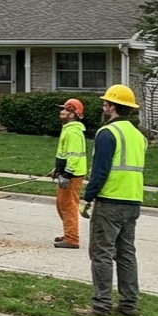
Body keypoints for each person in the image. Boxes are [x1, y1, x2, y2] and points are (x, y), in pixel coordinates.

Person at [73, 84, 146, 316]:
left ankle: (101, 305)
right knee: (126, 253)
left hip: (110, 200)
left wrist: (89, 196)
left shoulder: (108, 133)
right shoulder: (138, 136)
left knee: (101, 253)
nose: (104, 108)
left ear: (112, 107)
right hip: (133, 200)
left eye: (106, 104)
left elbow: (100, 170)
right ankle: (128, 304)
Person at [53, 98, 89, 249]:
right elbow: (65, 154)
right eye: (63, 109)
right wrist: (58, 170)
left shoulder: (73, 132)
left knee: (68, 206)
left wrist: (67, 174)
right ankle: (68, 233)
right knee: (61, 205)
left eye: (67, 110)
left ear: (74, 114)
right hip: (68, 173)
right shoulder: (68, 129)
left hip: (72, 175)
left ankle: (72, 238)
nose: (62, 112)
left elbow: (74, 156)